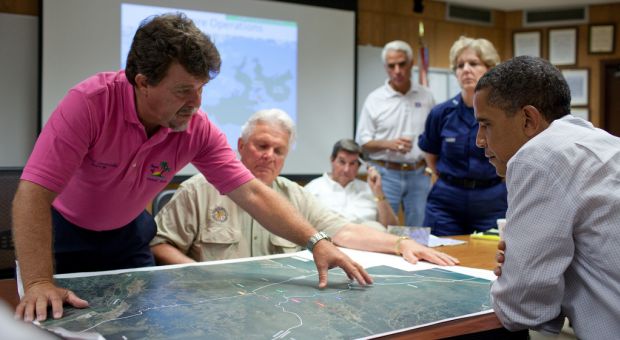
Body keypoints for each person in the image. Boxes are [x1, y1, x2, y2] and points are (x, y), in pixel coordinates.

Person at [12, 13, 371, 322]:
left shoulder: (196, 128)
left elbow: (252, 193)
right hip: (63, 233)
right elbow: (32, 194)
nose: (196, 102)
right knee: (56, 318)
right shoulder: (89, 106)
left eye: (202, 88)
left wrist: (315, 241)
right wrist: (40, 282)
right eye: (184, 89)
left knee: (139, 322)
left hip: (127, 235)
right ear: (143, 82)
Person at [151, 109, 458, 267]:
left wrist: (399, 244)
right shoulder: (199, 190)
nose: (269, 156)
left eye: (279, 150)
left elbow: (345, 232)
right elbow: (158, 245)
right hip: (214, 304)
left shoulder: (296, 196)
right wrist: (196, 272)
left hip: (280, 304)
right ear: (241, 146)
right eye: (261, 146)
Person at [474, 55, 620, 338]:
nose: (479, 140)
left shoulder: (538, 157)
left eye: (486, 124)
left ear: (528, 119)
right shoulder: (602, 143)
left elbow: (522, 309)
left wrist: (518, 272)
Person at [418, 36, 507, 236]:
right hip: (447, 199)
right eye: (460, 65)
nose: (466, 69)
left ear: (490, 68)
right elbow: (430, 155)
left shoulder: (505, 112)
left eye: (473, 63)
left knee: (491, 260)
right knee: (437, 256)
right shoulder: (441, 113)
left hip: (490, 199)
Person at [356, 40, 435, 227]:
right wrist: (389, 144)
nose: (397, 70)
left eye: (402, 64)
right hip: (386, 173)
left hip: (419, 173)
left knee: (418, 230)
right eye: (392, 66)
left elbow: (434, 136)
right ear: (386, 68)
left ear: (411, 64)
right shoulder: (375, 99)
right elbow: (362, 142)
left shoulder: (426, 96)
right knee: (385, 228)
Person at [304, 139, 398, 229]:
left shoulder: (370, 190)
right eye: (342, 162)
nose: (346, 169)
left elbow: (392, 228)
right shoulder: (313, 189)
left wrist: (378, 191)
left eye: (352, 163)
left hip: (366, 242)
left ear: (358, 166)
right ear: (332, 160)